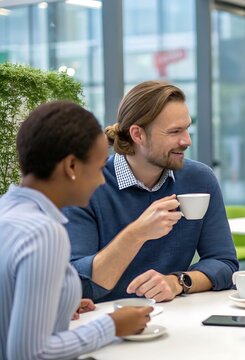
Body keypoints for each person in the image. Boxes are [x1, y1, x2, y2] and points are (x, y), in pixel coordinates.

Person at [0, 101, 152, 359]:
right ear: (71, 166)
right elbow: (29, 353)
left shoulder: (7, 211)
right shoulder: (44, 232)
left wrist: (59, 304)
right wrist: (112, 326)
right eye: (98, 166)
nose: (102, 179)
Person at [63, 80, 238, 303]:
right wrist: (137, 233)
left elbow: (224, 263)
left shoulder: (199, 179)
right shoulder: (88, 186)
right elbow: (76, 282)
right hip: (107, 323)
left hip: (176, 319)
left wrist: (178, 282)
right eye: (175, 131)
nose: (187, 141)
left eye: (187, 128)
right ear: (138, 134)